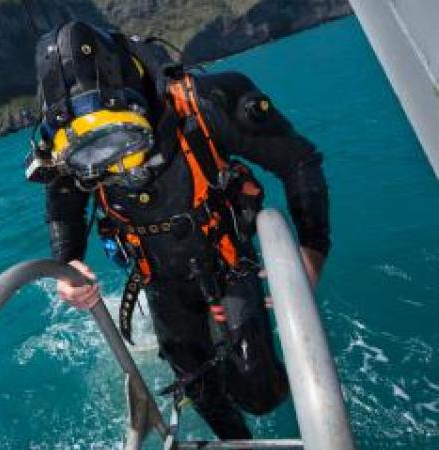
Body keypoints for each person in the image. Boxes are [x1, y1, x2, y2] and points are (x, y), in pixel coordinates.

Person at [25, 21, 330, 441]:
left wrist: (311, 255)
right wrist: (68, 263)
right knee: (197, 383)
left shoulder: (204, 104)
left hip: (226, 257)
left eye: (120, 141)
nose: (119, 167)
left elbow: (298, 161)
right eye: (93, 156)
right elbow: (64, 204)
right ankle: (236, 444)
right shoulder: (68, 149)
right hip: (158, 276)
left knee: (259, 393)